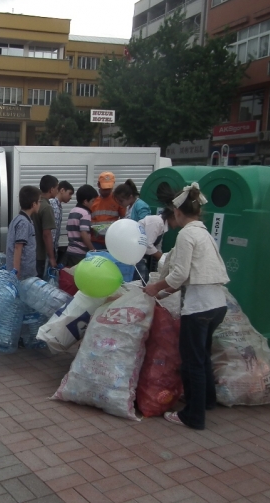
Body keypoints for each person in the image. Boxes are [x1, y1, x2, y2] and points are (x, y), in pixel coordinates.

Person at [144, 183, 229, 431]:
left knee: (192, 361)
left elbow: (179, 274)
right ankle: (206, 401)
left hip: (199, 308)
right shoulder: (203, 233)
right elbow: (190, 275)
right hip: (216, 305)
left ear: (178, 212)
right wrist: (165, 289)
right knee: (202, 356)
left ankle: (193, 415)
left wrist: (155, 288)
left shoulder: (186, 235)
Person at [6, 185, 40, 280]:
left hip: (25, 273)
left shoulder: (18, 219)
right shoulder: (23, 223)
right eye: (39, 202)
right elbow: (18, 247)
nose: (40, 205)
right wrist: (16, 273)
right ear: (34, 204)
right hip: (23, 275)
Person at [64, 184, 98, 267]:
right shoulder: (85, 213)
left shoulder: (73, 211)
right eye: (93, 201)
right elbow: (84, 234)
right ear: (85, 201)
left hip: (70, 251)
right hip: (80, 254)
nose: (93, 204)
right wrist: (93, 250)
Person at [91, 171, 126, 250]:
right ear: (98, 185)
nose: (107, 191)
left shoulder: (118, 200)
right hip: (96, 242)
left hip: (112, 240)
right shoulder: (93, 201)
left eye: (109, 188)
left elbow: (124, 219)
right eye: (104, 188)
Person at [33, 175, 59, 279]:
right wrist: (52, 257)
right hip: (40, 255)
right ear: (51, 189)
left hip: (30, 253)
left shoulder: (34, 203)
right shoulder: (47, 207)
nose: (57, 190)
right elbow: (47, 234)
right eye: (57, 188)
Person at [137, 209, 173, 282]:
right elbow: (147, 245)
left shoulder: (163, 226)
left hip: (141, 253)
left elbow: (158, 246)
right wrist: (164, 259)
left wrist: (163, 260)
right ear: (173, 217)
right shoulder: (157, 222)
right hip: (135, 252)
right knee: (142, 278)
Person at [50, 181, 74, 264]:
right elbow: (51, 231)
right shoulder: (52, 203)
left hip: (53, 248)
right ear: (62, 190)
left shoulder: (59, 206)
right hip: (49, 249)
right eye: (70, 194)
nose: (70, 197)